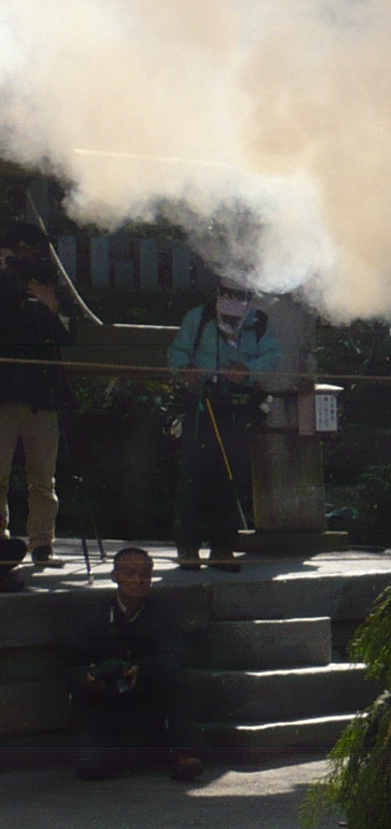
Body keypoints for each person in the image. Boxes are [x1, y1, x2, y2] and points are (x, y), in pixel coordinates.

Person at [167, 284, 279, 570]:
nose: (231, 316)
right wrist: (186, 369)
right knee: (195, 476)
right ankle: (188, 547)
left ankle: (223, 548)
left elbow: (272, 356)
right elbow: (177, 351)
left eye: (239, 298)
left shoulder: (260, 322)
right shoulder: (199, 317)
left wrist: (248, 370)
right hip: (201, 403)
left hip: (241, 406)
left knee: (232, 478)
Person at [72, 547, 202, 782]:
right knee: (89, 767)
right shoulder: (96, 615)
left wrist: (143, 670)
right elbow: (75, 661)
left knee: (178, 682)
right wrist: (91, 677)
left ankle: (183, 755)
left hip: (148, 694)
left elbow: (176, 655)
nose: (138, 580)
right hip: (107, 699)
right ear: (115, 576)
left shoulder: (162, 613)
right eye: (130, 573)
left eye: (145, 574)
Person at [0, 221, 73, 565]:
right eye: (21, 251)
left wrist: (52, 306)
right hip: (3, 396)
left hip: (43, 396)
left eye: (34, 251)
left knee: (43, 479)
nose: (27, 258)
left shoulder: (49, 286)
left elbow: (69, 337)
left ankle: (42, 543)